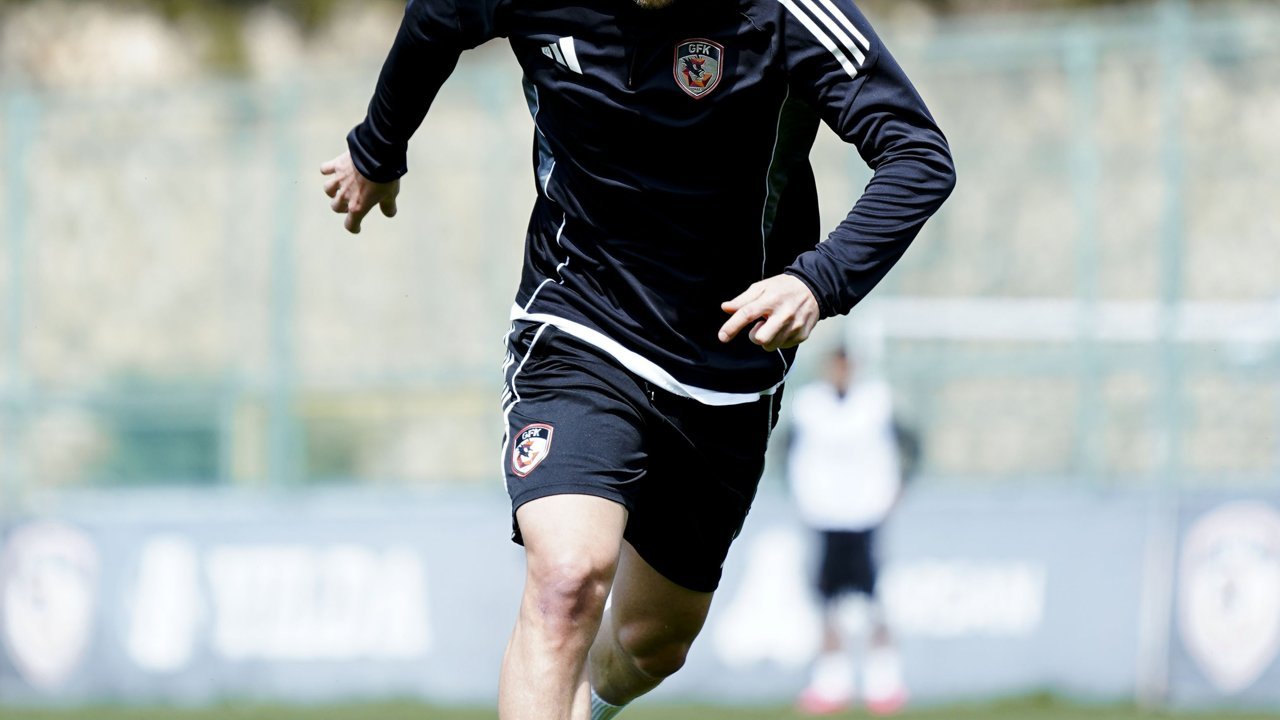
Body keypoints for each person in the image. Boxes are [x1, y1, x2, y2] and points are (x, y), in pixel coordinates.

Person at [320, 0, 954, 716]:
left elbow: (917, 154)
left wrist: (818, 280)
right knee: (566, 580)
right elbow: (437, 18)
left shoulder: (782, 12)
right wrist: (377, 150)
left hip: (727, 364)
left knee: (653, 643)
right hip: (579, 320)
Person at [787, 348, 913, 715]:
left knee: (875, 597)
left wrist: (900, 486)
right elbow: (789, 452)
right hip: (824, 514)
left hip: (868, 513)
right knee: (827, 599)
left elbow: (909, 445)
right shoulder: (808, 405)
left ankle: (883, 678)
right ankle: (832, 680)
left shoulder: (877, 403)